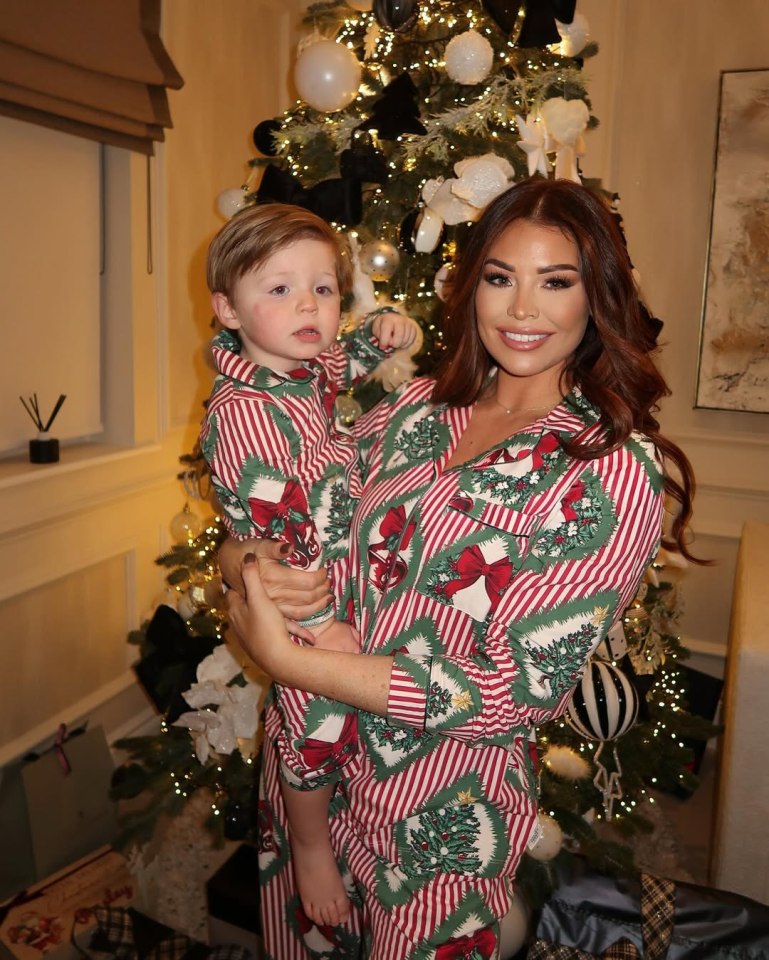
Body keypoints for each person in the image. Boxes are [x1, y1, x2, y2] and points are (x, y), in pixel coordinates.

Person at [221, 177, 700, 960]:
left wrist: (283, 659)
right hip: (309, 776)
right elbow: (289, 512)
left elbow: (515, 691)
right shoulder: (413, 410)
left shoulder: (609, 472)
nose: (521, 311)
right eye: (500, 278)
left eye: (555, 282)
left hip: (437, 820)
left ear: (594, 299)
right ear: (471, 282)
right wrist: (241, 558)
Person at [200, 202, 418, 927]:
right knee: (314, 716)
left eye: (323, 289)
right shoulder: (243, 412)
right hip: (294, 596)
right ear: (227, 310)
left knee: (344, 710)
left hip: (335, 572)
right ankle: (311, 839)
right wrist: (322, 628)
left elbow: (344, 355)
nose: (308, 306)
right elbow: (283, 537)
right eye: (280, 288)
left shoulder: (300, 365)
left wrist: (386, 326)